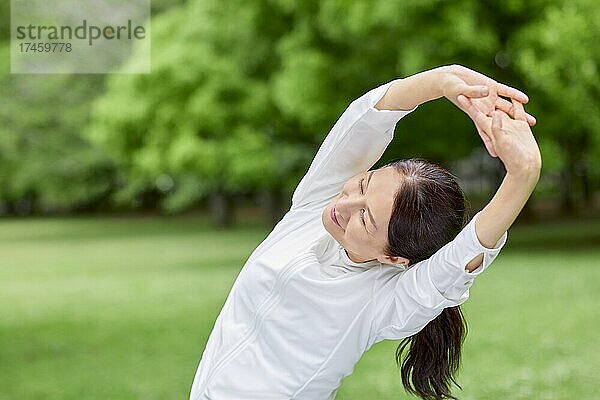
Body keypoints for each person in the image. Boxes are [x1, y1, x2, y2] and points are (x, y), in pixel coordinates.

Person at [189, 65, 541, 400]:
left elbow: (460, 259)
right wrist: (445, 81)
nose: (344, 206)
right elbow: (367, 119)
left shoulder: (380, 302)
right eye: (362, 184)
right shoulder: (317, 204)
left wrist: (523, 173)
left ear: (392, 257)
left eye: (366, 219)